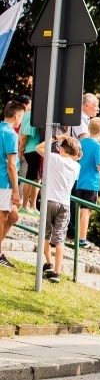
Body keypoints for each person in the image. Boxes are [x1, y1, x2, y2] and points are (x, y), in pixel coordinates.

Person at [35, 135, 81, 283]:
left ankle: (48, 263)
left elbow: (39, 148)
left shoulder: (55, 159)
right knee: (59, 238)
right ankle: (57, 271)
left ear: (61, 149)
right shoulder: (77, 166)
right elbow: (77, 157)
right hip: (65, 204)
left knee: (46, 234)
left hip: (49, 201)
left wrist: (56, 137)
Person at [0, 101, 25, 268]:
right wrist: (16, 190)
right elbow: (11, 165)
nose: (21, 120)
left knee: (13, 216)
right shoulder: (10, 134)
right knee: (2, 217)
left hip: (4, 181)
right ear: (16, 115)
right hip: (4, 182)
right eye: (21, 116)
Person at [75, 118, 100, 250]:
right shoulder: (98, 146)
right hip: (91, 182)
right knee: (86, 211)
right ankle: (82, 239)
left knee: (78, 210)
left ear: (88, 128)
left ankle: (76, 235)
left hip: (79, 180)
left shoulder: (81, 142)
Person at [18, 98, 41, 216]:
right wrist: (21, 148)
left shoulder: (30, 114)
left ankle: (33, 205)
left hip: (35, 149)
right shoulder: (30, 115)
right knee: (30, 177)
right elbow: (25, 134)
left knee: (37, 178)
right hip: (32, 149)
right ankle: (25, 205)